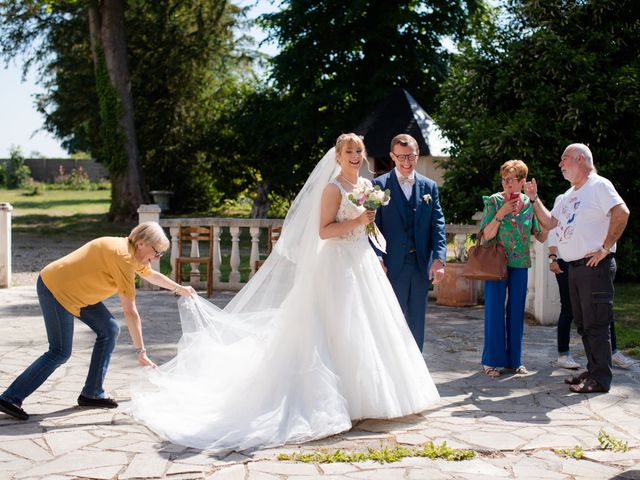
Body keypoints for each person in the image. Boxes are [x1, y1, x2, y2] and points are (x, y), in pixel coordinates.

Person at [127, 133, 440, 451]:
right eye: (349, 151)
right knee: (339, 326)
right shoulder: (334, 189)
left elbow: (366, 227)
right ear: (338, 156)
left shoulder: (368, 187)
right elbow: (324, 230)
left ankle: (374, 397)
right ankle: (339, 401)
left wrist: (368, 227)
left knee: (370, 327)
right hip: (337, 264)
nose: (355, 156)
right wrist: (359, 220)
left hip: (362, 262)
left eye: (359, 150)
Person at [0, 222, 195, 421]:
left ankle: (92, 393)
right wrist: (141, 353)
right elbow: (130, 312)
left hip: (78, 295)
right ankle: (10, 398)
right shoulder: (124, 257)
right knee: (59, 351)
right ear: (142, 243)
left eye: (159, 254)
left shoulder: (132, 253)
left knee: (109, 329)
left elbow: (151, 275)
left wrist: (180, 289)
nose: (156, 258)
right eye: (156, 252)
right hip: (56, 289)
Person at [527, 143, 630, 393]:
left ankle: (601, 378)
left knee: (597, 323)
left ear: (581, 159)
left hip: (595, 266)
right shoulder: (570, 194)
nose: (560, 164)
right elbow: (551, 221)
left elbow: (622, 212)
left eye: (565, 159)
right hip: (574, 267)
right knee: (584, 324)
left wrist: (605, 248)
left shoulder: (599, 185)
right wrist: (534, 199)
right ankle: (594, 370)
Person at [372, 134, 446, 351]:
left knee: (417, 322)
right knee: (389, 321)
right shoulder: (378, 185)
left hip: (420, 265)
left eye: (411, 156)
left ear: (417, 154)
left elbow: (437, 224)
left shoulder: (429, 187)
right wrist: (377, 257)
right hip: (391, 265)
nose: (406, 162)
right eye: (401, 157)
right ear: (392, 156)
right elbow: (372, 226)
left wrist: (439, 259)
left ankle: (415, 375)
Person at [549, 194, 633, 370]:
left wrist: (604, 249)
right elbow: (552, 229)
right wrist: (553, 258)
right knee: (569, 308)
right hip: (566, 261)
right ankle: (563, 354)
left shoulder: (594, 194)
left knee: (602, 308)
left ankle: (612, 351)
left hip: (593, 261)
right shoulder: (563, 198)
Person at [479, 160, 547, 378]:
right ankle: (490, 361)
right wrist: (502, 212)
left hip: (520, 264)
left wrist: (543, 208)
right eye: (504, 179)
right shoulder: (493, 201)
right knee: (494, 311)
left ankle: (514, 360)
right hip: (496, 263)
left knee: (516, 312)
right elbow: (486, 235)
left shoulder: (529, 203)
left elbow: (541, 234)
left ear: (522, 181)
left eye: (511, 180)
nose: (506, 183)